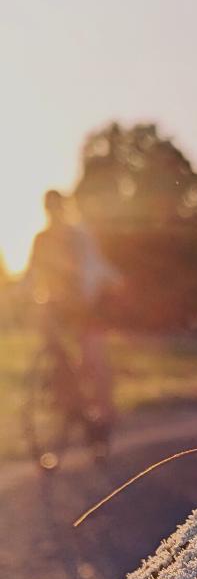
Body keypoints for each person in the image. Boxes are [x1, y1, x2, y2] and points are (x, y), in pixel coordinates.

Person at [26, 190, 122, 452]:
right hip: (56, 306)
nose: (54, 212)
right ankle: (61, 392)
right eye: (50, 208)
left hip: (85, 306)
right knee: (54, 347)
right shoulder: (41, 239)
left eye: (57, 207)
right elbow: (33, 273)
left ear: (63, 208)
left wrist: (103, 287)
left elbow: (93, 267)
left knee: (93, 356)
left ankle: (102, 414)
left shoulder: (79, 237)